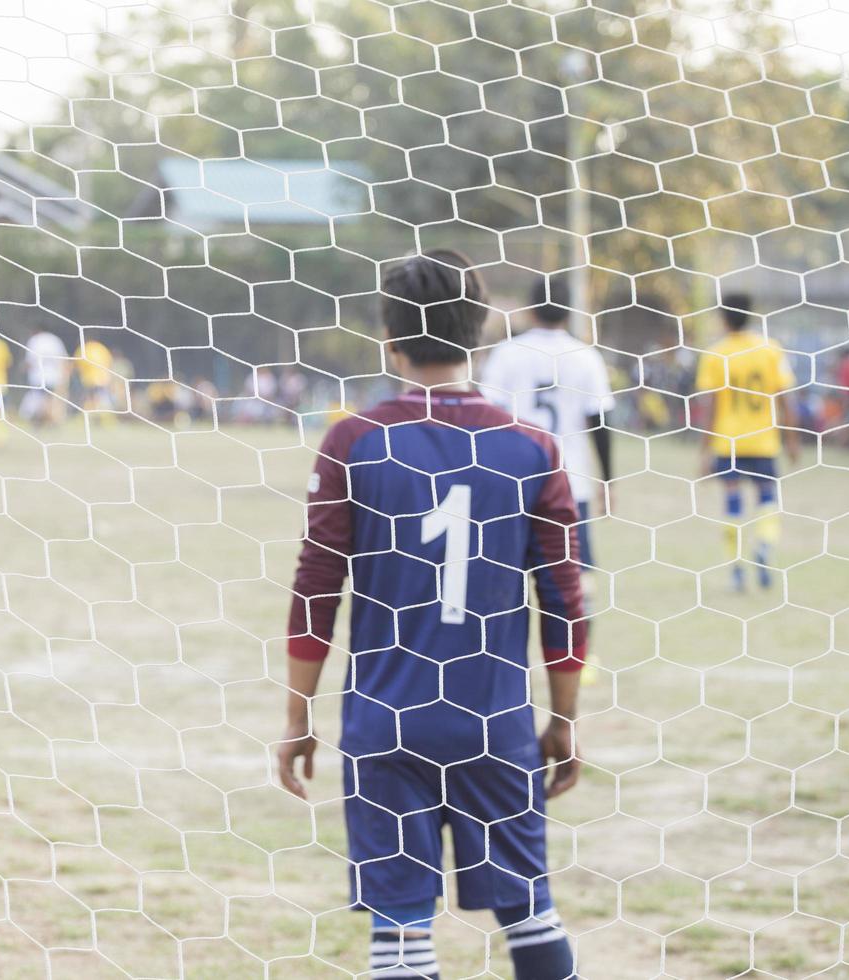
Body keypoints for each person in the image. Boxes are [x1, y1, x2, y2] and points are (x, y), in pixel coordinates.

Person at [279, 250, 585, 980]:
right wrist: (564, 720)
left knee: (401, 936)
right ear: (478, 337)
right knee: (529, 913)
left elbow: (315, 591)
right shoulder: (531, 449)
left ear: (388, 339)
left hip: (385, 724)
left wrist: (297, 718)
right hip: (492, 723)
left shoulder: (354, 441)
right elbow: (564, 600)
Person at [480, 276, 614, 605]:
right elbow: (599, 420)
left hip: (514, 480)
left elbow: (486, 414)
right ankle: (580, 653)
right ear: (570, 311)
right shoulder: (586, 356)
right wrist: (608, 480)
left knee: (506, 574)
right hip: (571, 481)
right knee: (577, 578)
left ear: (530, 310)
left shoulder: (508, 353)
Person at [693, 293, 799, 592]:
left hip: (729, 443)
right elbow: (784, 398)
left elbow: (710, 408)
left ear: (723, 318)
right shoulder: (770, 350)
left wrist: (704, 450)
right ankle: (764, 545)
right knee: (767, 499)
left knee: (732, 502)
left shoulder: (716, 354)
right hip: (764, 442)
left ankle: (737, 566)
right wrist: (791, 439)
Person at [20, 329, 69, 426]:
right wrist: (64, 377)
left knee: (38, 400)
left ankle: (39, 421)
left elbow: (30, 361)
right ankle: (50, 421)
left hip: (37, 377)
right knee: (50, 400)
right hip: (54, 377)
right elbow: (63, 360)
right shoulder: (55, 340)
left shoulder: (34, 340)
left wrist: (23, 368)